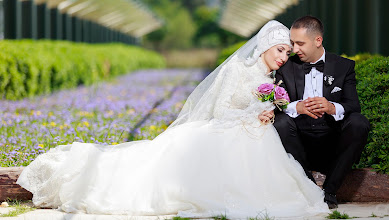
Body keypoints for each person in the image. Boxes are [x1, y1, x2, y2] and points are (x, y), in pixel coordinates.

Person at [17, 20, 329, 219]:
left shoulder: (274, 82)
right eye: (279, 50)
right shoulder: (237, 70)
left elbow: (276, 107)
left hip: (252, 133)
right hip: (222, 129)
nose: (283, 56)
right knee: (153, 168)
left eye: (287, 52)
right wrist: (252, 113)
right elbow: (220, 109)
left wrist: (268, 110)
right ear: (264, 47)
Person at [274, 16, 370, 209]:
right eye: (292, 43)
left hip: (332, 143)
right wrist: (296, 107)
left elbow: (353, 106)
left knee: (359, 122)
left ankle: (330, 191)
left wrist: (331, 107)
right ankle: (309, 187)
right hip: (298, 143)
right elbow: (277, 104)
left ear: (318, 41)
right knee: (281, 122)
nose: (294, 49)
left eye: (300, 43)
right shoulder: (286, 67)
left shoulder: (344, 66)